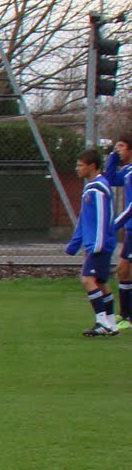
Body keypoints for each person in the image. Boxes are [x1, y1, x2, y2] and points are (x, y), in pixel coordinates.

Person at [68, 147, 118, 337]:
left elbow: (102, 218)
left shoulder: (97, 189)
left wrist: (97, 244)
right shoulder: (91, 187)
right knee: (101, 283)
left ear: (92, 166)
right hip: (98, 244)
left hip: (99, 245)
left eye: (81, 165)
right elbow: (84, 219)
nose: (77, 168)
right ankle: (111, 324)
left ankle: (101, 322)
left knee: (87, 280)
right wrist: (74, 244)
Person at [102, 134, 132, 328]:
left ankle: (127, 317)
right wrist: (112, 157)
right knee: (124, 271)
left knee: (123, 269)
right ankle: (126, 315)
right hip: (130, 229)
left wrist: (112, 226)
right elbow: (110, 178)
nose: (117, 149)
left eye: (121, 146)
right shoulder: (128, 171)